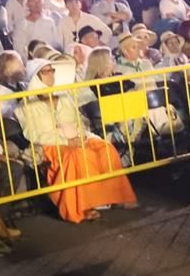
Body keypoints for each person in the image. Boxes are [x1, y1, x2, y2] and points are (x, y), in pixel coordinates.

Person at [18, 57, 138, 223]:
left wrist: (79, 135)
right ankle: (82, 206)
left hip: (75, 136)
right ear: (36, 77)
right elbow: (34, 134)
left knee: (105, 148)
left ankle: (113, 197)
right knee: (76, 156)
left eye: (52, 71)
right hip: (50, 144)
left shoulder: (65, 97)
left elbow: (79, 122)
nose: (51, 75)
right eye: (46, 72)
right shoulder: (26, 105)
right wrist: (65, 140)